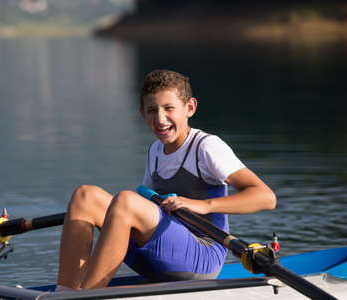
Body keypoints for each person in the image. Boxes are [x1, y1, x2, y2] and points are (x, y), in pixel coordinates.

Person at [56, 69, 276, 291]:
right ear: (143, 114)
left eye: (169, 108)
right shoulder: (155, 151)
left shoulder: (206, 147)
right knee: (85, 196)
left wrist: (201, 205)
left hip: (202, 259)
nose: (160, 119)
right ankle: (65, 293)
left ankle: (88, 295)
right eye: (152, 110)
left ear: (190, 108)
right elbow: (146, 212)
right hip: (159, 256)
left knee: (125, 201)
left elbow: (266, 197)